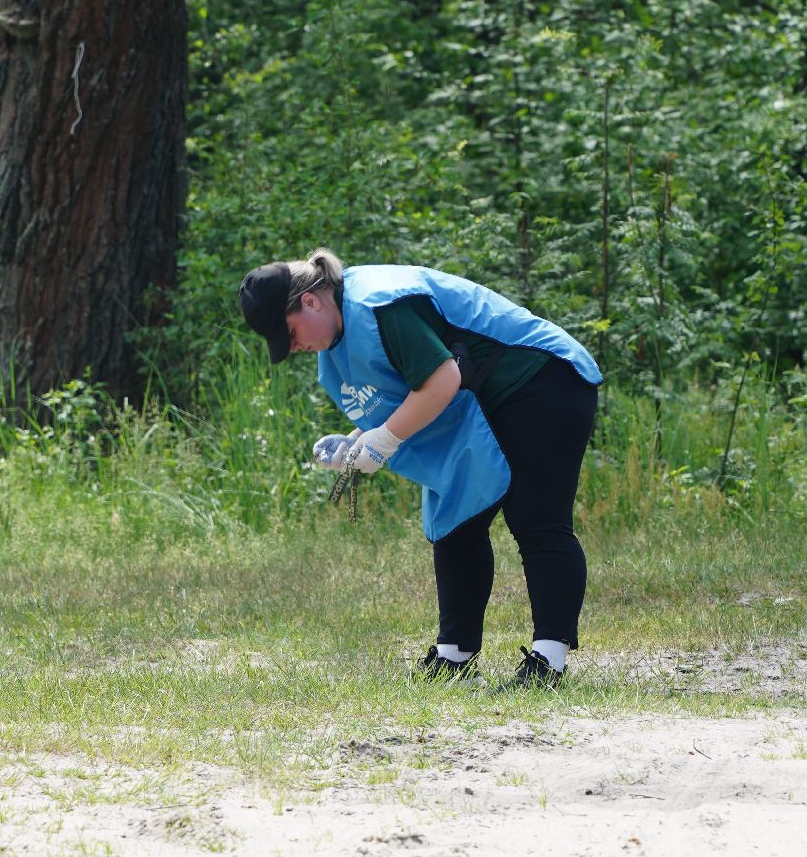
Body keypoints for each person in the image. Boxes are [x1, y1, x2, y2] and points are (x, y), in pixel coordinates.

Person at [238, 248, 603, 689]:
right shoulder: (338, 333)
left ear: (311, 302)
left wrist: (386, 439)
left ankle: (549, 661)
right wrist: (355, 441)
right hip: (486, 400)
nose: (293, 347)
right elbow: (397, 394)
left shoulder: (379, 304)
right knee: (453, 518)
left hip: (544, 378)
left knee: (536, 519)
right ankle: (455, 661)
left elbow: (443, 379)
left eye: (290, 333)